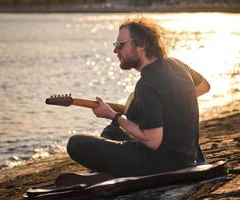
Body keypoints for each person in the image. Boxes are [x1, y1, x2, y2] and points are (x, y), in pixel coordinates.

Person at [67, 17, 210, 178]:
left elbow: (153, 141)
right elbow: (204, 87)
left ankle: (104, 173)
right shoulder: (177, 64)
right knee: (111, 132)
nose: (115, 51)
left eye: (120, 45)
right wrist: (172, 103)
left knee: (76, 143)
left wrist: (113, 115)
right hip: (187, 156)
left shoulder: (146, 83)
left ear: (141, 45)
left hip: (162, 164)